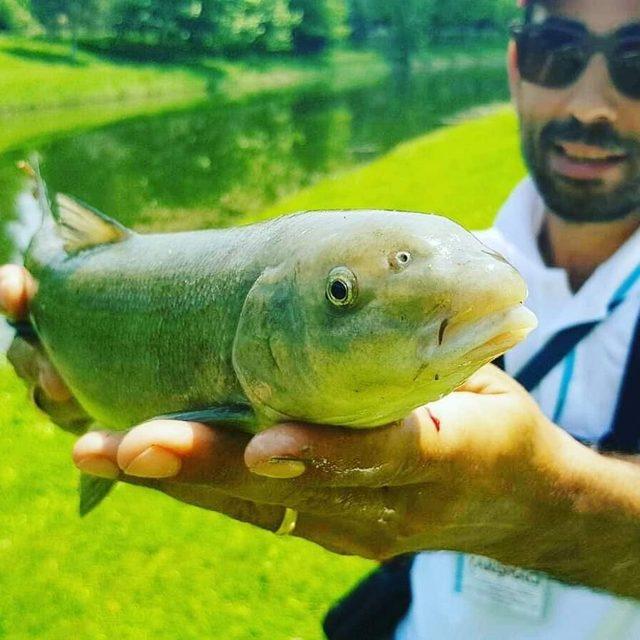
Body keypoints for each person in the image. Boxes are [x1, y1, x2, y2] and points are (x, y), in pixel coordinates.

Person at [2, 0, 640, 637]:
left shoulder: (464, 295)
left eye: (635, 60)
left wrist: (551, 508)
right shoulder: (455, 273)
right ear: (515, 65)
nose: (590, 104)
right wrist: (88, 382)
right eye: (554, 50)